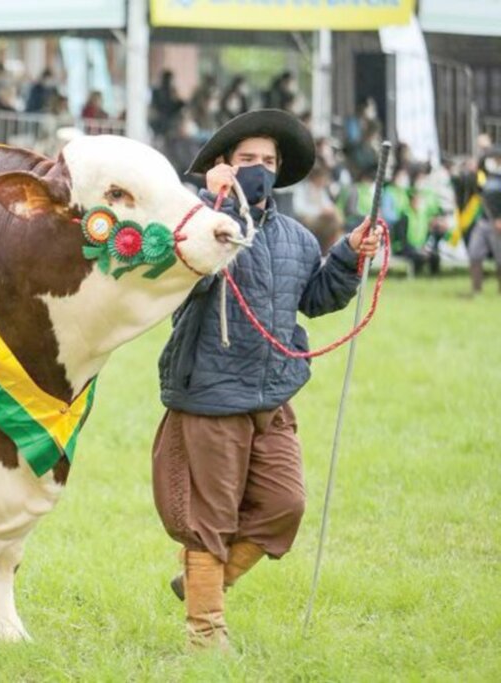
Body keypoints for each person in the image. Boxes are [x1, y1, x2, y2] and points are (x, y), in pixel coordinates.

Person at [152, 109, 383, 651]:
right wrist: (214, 207)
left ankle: (201, 583)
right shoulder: (191, 224)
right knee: (210, 519)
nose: (259, 169)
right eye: (247, 160)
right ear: (223, 167)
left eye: (268, 161)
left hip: (273, 394)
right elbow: (176, 277)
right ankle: (205, 636)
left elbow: (315, 297)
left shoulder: (298, 239)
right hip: (211, 393)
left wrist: (348, 255)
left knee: (285, 505)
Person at [466, 146, 501, 295]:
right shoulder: (488, 176)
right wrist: (483, 154)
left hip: (497, 222)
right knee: (474, 252)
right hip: (484, 220)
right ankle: (476, 289)